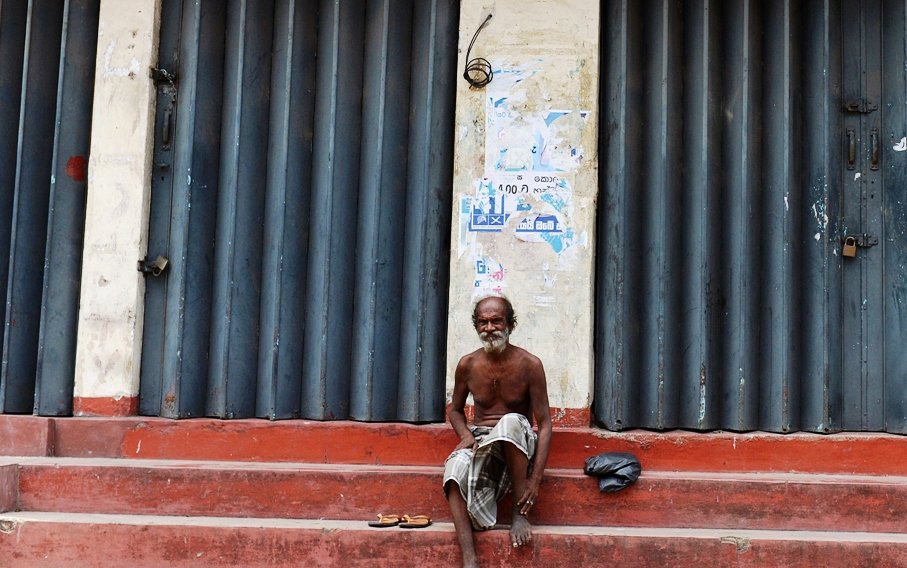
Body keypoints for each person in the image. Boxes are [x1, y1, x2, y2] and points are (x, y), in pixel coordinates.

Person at [443, 295, 552, 568]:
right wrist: (466, 437)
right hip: (481, 439)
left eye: (496, 321)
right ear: (476, 326)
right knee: (454, 468)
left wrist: (535, 480)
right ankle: (469, 559)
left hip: (519, 442)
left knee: (511, 423)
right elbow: (455, 410)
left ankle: (519, 513)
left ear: (510, 324)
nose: (489, 328)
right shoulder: (467, 365)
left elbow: (546, 423)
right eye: (483, 322)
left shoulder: (530, 365)